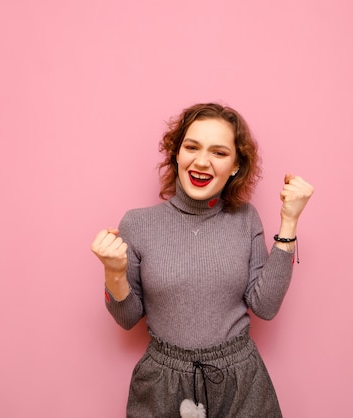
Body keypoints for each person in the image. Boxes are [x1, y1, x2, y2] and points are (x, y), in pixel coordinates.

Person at [91, 103, 314, 418]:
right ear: (177, 154)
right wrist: (114, 272)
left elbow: (265, 306)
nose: (201, 161)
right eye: (192, 147)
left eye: (219, 153)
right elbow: (128, 319)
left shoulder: (245, 219)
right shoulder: (138, 224)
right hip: (162, 383)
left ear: (236, 165)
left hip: (240, 381)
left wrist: (289, 222)